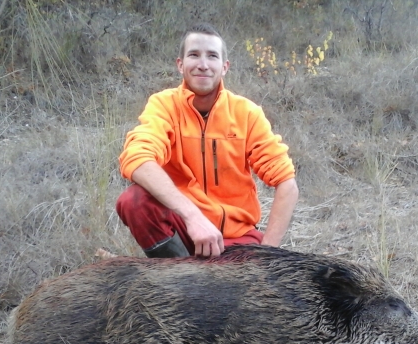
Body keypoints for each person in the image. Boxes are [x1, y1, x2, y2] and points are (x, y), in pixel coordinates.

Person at [116, 23, 298, 258]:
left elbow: (287, 184)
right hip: (184, 229)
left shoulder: (247, 113)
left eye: (212, 56)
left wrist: (269, 254)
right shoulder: (164, 105)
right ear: (180, 64)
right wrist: (193, 217)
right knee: (134, 201)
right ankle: (179, 275)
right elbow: (137, 158)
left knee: (246, 290)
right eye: (194, 55)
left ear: (224, 67)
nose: (203, 64)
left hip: (236, 238)